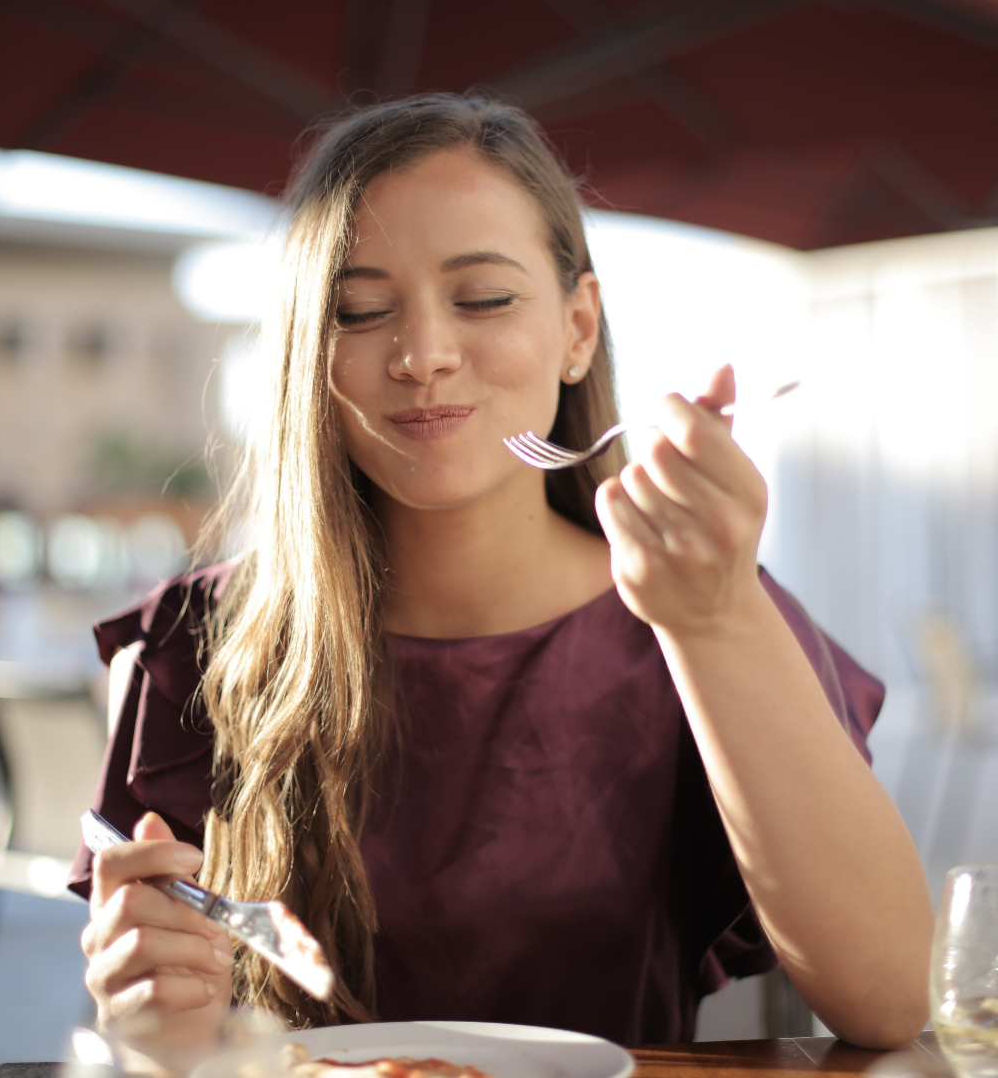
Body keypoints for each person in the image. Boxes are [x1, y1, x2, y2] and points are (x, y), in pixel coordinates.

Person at [70, 93, 933, 1063]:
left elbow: (891, 999)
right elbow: (171, 1034)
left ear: (578, 328)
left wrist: (717, 621)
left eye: (483, 299)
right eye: (360, 311)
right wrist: (154, 1021)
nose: (424, 356)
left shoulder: (700, 609)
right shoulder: (195, 645)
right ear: (310, 354)